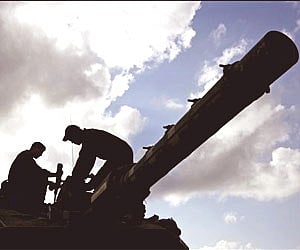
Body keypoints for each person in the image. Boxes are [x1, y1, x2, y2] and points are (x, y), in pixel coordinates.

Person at [62, 125, 134, 191]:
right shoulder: (88, 136)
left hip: (121, 154)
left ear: (75, 134)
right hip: (120, 154)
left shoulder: (89, 138)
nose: (72, 142)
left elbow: (85, 160)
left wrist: (76, 178)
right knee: (95, 183)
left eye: (71, 139)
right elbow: (84, 160)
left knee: (96, 184)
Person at [7, 142, 57, 214]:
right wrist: (54, 175)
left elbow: (36, 173)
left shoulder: (26, 156)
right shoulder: (26, 157)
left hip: (19, 185)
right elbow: (38, 172)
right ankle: (35, 207)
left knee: (42, 179)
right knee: (42, 180)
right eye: (41, 152)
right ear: (35, 148)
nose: (41, 155)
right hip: (18, 187)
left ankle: (35, 207)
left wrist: (51, 179)